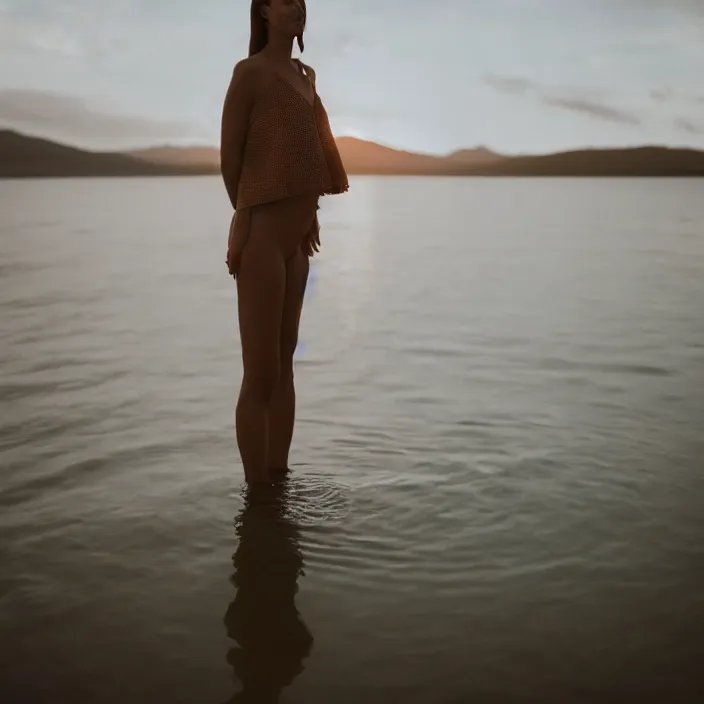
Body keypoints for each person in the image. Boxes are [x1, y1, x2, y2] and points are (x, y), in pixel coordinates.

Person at [220, 0, 348, 485]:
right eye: (282, 0)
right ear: (263, 11)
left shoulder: (305, 75)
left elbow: (308, 152)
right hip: (262, 243)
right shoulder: (249, 73)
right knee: (261, 373)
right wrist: (242, 218)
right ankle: (257, 496)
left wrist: (310, 213)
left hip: (297, 243)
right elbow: (231, 158)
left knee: (285, 366)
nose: (295, 7)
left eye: (300, 1)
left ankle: (279, 479)